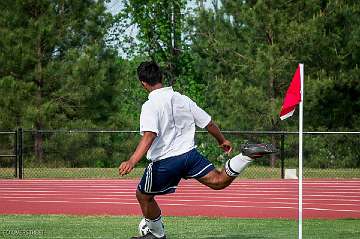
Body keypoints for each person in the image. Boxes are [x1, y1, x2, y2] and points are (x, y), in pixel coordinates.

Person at [119, 61, 277, 239]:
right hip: (189, 156)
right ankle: (246, 155)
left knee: (143, 195)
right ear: (161, 78)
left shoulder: (150, 105)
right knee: (218, 181)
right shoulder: (183, 99)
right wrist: (222, 139)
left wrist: (132, 160)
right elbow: (208, 123)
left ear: (143, 83)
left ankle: (156, 234)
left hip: (166, 161)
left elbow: (149, 135)